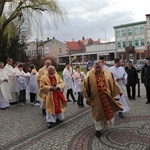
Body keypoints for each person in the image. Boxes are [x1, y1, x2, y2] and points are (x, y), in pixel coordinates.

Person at [82, 60, 123, 138]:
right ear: (93, 67)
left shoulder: (108, 73)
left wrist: (116, 96)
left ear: (102, 66)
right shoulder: (89, 75)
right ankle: (98, 129)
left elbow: (114, 85)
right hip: (96, 99)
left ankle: (108, 126)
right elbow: (85, 88)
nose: (97, 69)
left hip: (108, 98)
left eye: (99, 67)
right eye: (96, 68)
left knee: (108, 113)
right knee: (97, 115)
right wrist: (87, 98)